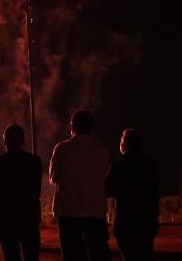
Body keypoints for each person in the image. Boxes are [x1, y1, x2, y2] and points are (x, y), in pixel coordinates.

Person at [49, 110, 110, 261]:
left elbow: (53, 178)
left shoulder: (61, 149)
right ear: (91, 127)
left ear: (73, 127)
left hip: (69, 212)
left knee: (72, 255)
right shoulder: (102, 150)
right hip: (95, 212)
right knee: (98, 254)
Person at [0, 125, 43, 261]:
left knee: (11, 256)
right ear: (23, 140)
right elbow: (36, 190)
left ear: (5, 141)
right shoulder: (34, 161)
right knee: (31, 256)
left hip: (6, 216)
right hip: (28, 215)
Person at [105, 129, 159, 261]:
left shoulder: (118, 165)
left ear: (125, 144)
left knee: (129, 256)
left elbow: (106, 189)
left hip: (125, 220)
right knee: (146, 255)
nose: (120, 143)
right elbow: (155, 191)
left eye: (122, 140)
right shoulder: (150, 164)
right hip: (146, 219)